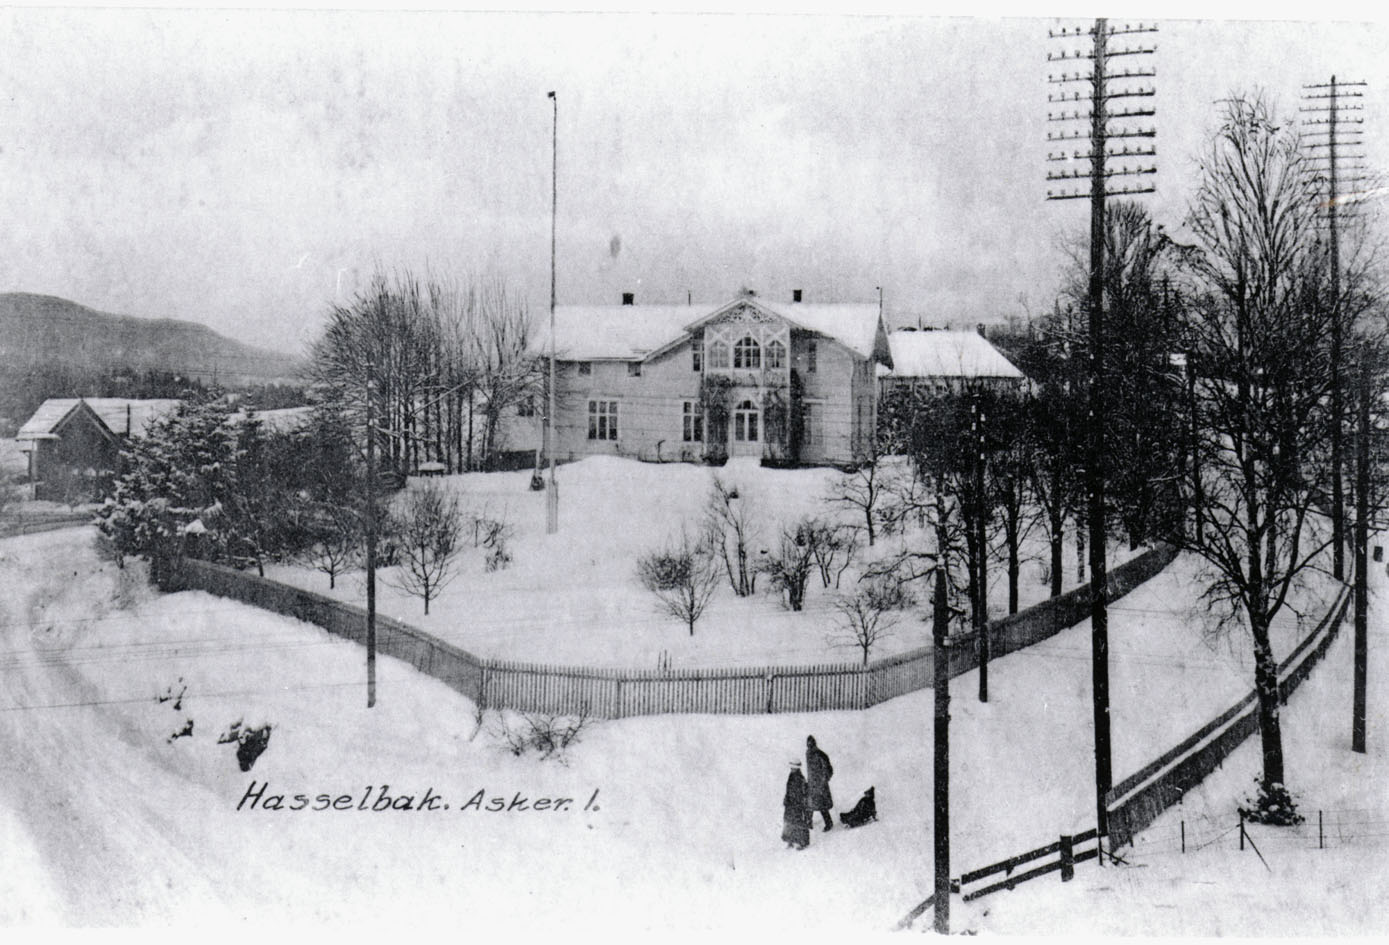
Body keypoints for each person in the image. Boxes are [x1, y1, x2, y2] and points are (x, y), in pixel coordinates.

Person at [806, 735, 834, 831]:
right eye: (808, 744)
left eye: (810, 743)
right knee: (810, 805)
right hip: (811, 785)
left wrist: (824, 781)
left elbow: (828, 770)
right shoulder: (808, 753)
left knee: (822, 806)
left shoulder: (820, 754)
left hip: (820, 786)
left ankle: (829, 823)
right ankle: (808, 822)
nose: (809, 745)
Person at [781, 761, 811, 850]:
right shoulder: (791, 776)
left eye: (793, 767)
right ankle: (790, 840)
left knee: (799, 823)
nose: (791, 769)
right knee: (789, 821)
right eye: (791, 767)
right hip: (790, 804)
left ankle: (803, 842)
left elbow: (803, 792)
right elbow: (788, 790)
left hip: (797, 804)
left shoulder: (800, 778)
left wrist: (801, 802)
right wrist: (786, 798)